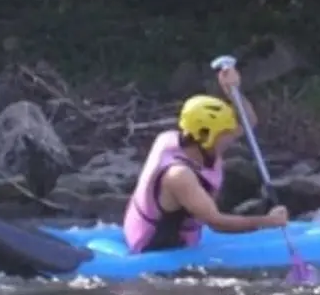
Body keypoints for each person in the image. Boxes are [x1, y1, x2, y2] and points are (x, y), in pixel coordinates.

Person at [123, 62, 289, 253]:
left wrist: (232, 91)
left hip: (171, 235)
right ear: (207, 136)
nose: (232, 137)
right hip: (154, 247)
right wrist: (268, 222)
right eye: (225, 134)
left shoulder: (189, 139)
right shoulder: (179, 176)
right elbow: (217, 222)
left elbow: (248, 121)